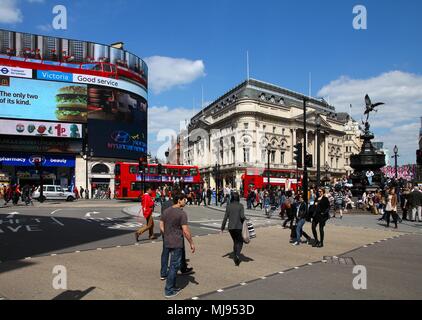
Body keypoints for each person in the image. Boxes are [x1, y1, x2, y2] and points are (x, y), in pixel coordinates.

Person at [160, 192, 195, 298]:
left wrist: (166, 234)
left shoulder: (166, 211)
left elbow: (161, 224)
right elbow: (185, 231)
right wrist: (191, 243)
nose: (186, 201)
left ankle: (173, 286)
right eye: (184, 199)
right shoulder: (182, 213)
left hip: (167, 241)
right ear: (179, 200)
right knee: (174, 266)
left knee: (173, 265)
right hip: (176, 242)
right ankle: (169, 290)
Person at [221, 192, 246, 266]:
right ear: (238, 198)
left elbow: (225, 218)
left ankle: (235, 256)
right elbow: (242, 216)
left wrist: (222, 228)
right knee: (240, 242)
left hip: (231, 227)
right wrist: (246, 219)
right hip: (238, 227)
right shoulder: (240, 206)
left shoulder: (228, 206)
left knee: (235, 241)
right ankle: (237, 255)